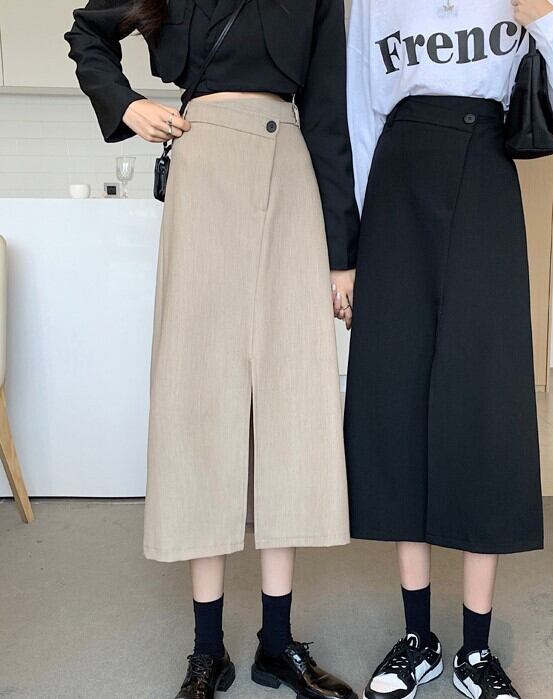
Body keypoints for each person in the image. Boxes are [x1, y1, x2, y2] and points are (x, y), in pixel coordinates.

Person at [65, 1, 359, 698]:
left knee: (292, 397)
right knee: (198, 399)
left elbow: (328, 112)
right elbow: (87, 31)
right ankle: (207, 650)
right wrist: (126, 103)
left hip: (291, 173)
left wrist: (342, 253)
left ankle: (277, 644)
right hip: (203, 172)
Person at [343, 0, 553, 697]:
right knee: (397, 399)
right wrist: (353, 247)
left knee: (486, 399)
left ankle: (476, 648)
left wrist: (547, 20)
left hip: (485, 174)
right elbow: (360, 113)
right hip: (396, 181)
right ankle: (417, 637)